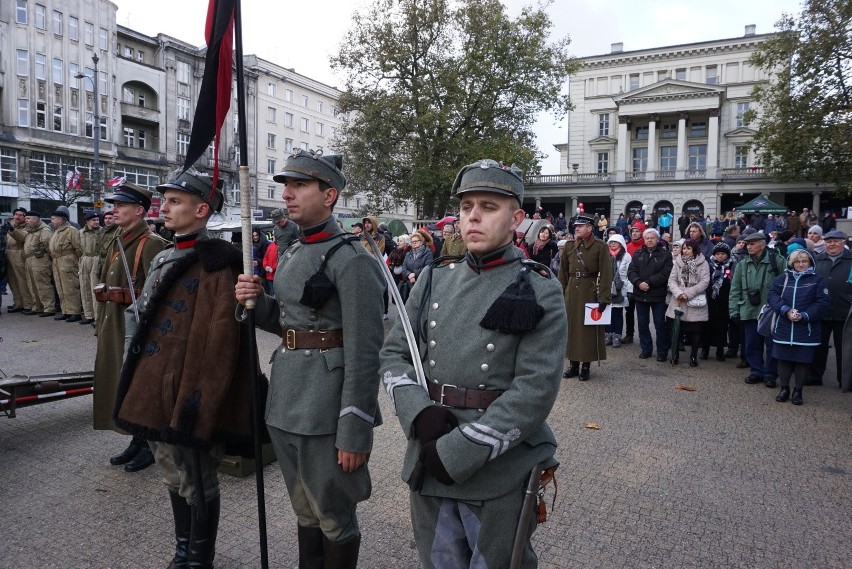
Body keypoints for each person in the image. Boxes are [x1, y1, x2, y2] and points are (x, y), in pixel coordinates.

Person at [378, 158, 566, 568]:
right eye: (466, 207)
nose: (473, 216)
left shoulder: (538, 287)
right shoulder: (433, 278)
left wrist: (462, 450)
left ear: (516, 218)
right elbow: (395, 355)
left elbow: (534, 391)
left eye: (488, 206)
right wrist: (418, 413)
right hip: (429, 448)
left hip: (496, 463)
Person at [235, 148, 384, 566]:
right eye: (286, 186)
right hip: (286, 396)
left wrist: (356, 428)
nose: (287, 194)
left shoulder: (352, 259)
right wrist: (256, 302)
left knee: (333, 512)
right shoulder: (295, 251)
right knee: (304, 508)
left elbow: (365, 351)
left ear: (330, 194)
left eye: (299, 185)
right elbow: (288, 324)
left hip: (326, 404)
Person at [114, 169, 256, 568]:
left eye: (175, 201)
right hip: (152, 384)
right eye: (166, 199)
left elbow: (219, 344)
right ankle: (182, 547)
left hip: (187, 389)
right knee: (171, 473)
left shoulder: (219, 262)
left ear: (202, 209)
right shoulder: (163, 256)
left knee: (197, 477)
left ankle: (199, 556)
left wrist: (200, 400)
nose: (165, 206)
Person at [93, 182, 166, 472]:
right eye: (115, 205)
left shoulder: (152, 244)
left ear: (139, 211)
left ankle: (149, 444)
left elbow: (157, 295)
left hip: (134, 328)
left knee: (139, 385)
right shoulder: (118, 240)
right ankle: (136, 439)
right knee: (121, 383)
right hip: (114, 323)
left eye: (121, 205)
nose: (114, 209)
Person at [767, 249, 831, 405]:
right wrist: (786, 310)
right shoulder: (782, 279)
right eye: (797, 261)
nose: (801, 264)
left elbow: (823, 303)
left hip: (806, 328)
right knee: (783, 359)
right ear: (791, 263)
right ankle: (784, 388)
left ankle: (798, 390)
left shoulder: (817, 280)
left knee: (802, 361)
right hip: (783, 326)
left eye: (804, 261)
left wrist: (804, 315)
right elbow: (772, 296)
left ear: (810, 262)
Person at [559, 213, 612, 381]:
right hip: (571, 293)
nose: (577, 228)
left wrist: (604, 297)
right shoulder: (569, 246)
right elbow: (563, 273)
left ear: (590, 228)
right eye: (576, 226)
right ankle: (573, 364)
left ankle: (586, 365)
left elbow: (605, 273)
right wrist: (560, 293)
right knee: (571, 328)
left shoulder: (600, 246)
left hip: (590, 291)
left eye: (580, 226)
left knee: (587, 330)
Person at [729, 231, 786, 387]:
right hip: (748, 309)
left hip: (770, 311)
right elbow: (735, 289)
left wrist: (784, 308)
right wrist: (733, 311)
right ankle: (756, 371)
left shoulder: (778, 261)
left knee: (772, 344)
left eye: (752, 243)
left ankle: (770, 374)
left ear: (763, 244)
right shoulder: (741, 264)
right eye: (747, 244)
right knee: (751, 344)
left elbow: (787, 286)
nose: (749, 247)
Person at [808, 230, 852, 387]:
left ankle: (845, 380)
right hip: (821, 312)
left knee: (845, 350)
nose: (832, 244)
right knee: (818, 348)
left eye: (836, 241)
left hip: (845, 312)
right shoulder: (817, 260)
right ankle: (814, 376)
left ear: (843, 242)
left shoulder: (851, 259)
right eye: (828, 241)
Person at [628, 228, 674, 362]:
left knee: (660, 324)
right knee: (642, 324)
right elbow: (631, 271)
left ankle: (662, 351)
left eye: (652, 238)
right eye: (647, 238)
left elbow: (666, 273)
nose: (649, 240)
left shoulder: (665, 254)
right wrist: (638, 283)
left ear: (657, 239)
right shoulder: (638, 253)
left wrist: (648, 282)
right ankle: (646, 349)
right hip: (640, 294)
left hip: (657, 295)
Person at [666, 239, 710, 366]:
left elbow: (705, 281)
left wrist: (688, 293)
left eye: (688, 248)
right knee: (676, 329)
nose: (685, 250)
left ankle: (693, 356)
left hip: (694, 300)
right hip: (678, 300)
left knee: (695, 330)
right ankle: (675, 355)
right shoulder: (677, 262)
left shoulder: (703, 263)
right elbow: (672, 280)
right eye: (684, 248)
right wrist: (679, 293)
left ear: (694, 250)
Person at [8, 212, 54, 316]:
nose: (26, 220)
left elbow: (49, 247)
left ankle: (48, 308)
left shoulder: (44, 230)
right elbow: (22, 239)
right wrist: (12, 231)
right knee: (32, 285)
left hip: (40, 259)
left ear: (36, 219)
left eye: (28, 218)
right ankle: (37, 306)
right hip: (29, 259)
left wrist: (50, 260)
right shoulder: (31, 230)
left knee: (42, 285)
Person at [48, 208, 83, 322]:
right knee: (60, 287)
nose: (51, 220)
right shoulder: (57, 230)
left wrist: (77, 262)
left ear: (61, 219)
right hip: (57, 261)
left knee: (70, 287)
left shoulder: (71, 230)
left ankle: (75, 312)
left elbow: (78, 247)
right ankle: (66, 311)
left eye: (53, 218)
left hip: (68, 261)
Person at [702, 242, 735, 361]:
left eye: (723, 254)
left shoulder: (731, 266)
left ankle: (720, 351)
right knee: (707, 326)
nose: (720, 256)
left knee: (722, 327)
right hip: (710, 300)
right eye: (717, 254)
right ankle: (705, 349)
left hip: (724, 301)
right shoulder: (709, 265)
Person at [3, 208, 33, 313]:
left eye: (20, 215)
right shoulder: (12, 225)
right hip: (9, 254)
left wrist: (11, 230)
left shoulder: (27, 227)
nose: (17, 217)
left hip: (19, 254)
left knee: (22, 281)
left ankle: (28, 304)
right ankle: (18, 303)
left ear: (25, 217)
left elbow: (22, 238)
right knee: (13, 282)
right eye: (16, 214)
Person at [605, 234, 632, 348]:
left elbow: (630, 273)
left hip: (621, 288)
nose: (613, 244)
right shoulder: (606, 255)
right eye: (611, 242)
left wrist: (630, 289)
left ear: (621, 243)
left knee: (618, 314)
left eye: (615, 242)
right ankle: (608, 335)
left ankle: (617, 336)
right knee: (607, 313)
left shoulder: (626, 256)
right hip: (607, 287)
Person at [78, 213, 101, 325]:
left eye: (97, 220)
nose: (96, 222)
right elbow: (77, 247)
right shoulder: (81, 232)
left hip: (96, 258)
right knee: (84, 286)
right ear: (87, 221)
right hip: (85, 258)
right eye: (93, 220)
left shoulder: (101, 231)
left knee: (94, 286)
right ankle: (88, 314)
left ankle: (98, 316)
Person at [399, 229, 434, 303]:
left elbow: (428, 267)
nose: (414, 243)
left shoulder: (428, 253)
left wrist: (415, 274)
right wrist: (409, 275)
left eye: (416, 241)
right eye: (412, 242)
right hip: (409, 283)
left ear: (421, 242)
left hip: (422, 282)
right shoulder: (408, 254)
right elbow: (404, 268)